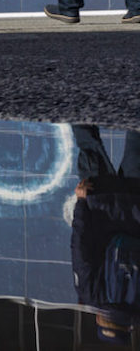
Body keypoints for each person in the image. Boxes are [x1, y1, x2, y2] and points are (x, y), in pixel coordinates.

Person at [70, 125, 140, 343]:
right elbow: (80, 248)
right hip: (100, 201)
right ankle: (78, 93)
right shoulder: (91, 295)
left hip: (136, 202)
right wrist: (81, 203)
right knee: (87, 139)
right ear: (100, 320)